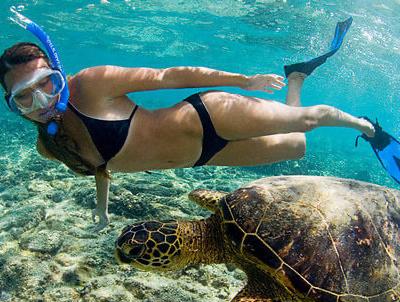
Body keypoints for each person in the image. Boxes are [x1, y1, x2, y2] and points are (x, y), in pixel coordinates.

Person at [0, 20, 375, 229]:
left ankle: (363, 126)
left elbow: (168, 76)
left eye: (45, 83)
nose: (42, 101)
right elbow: (99, 164)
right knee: (298, 146)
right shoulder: (49, 145)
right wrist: (102, 207)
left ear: (57, 73)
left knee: (308, 122)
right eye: (24, 97)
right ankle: (296, 79)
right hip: (205, 157)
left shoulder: (91, 83)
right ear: (12, 105)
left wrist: (241, 81)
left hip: (208, 115)